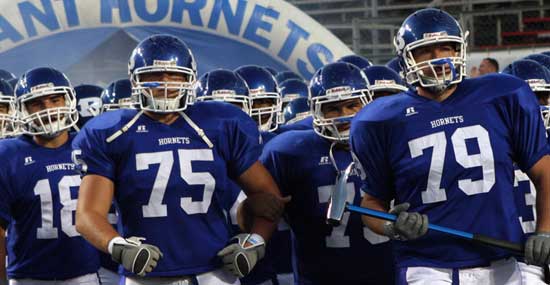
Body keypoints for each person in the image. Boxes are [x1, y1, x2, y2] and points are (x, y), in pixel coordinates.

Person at [351, 8, 550, 284]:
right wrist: (391, 225)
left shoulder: (504, 95)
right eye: (426, 51)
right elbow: (372, 202)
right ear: (406, 57)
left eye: (447, 48)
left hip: (501, 258)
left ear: (461, 50)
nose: (438, 59)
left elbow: (544, 172)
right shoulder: (380, 120)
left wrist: (545, 230)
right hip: (428, 266)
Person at [73, 34, 287, 285]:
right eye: (154, 75)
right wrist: (119, 247)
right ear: (135, 80)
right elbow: (88, 215)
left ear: (190, 78)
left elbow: (269, 197)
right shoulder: (113, 132)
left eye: (174, 75)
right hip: (145, 273)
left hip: (216, 273)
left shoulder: (220, 123)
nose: (164, 83)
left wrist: (254, 243)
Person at [259, 62, 394, 284]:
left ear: (367, 102)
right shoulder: (289, 151)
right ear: (316, 111)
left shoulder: (390, 140)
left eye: (352, 106)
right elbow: (256, 213)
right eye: (333, 108)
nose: (343, 117)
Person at [0, 67, 100, 284]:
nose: (48, 109)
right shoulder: (8, 155)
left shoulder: (91, 145)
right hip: (29, 276)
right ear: (22, 110)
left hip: (84, 274)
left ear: (69, 100)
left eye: (55, 99)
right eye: (37, 103)